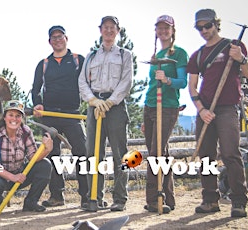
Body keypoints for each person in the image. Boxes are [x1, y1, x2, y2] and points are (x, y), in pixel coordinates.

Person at [187, 9, 248, 218]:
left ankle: (238, 202)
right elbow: (192, 88)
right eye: (200, 27)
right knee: (206, 157)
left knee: (230, 154)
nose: (204, 30)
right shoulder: (197, 55)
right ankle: (210, 200)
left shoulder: (234, 46)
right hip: (205, 109)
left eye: (208, 25)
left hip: (227, 108)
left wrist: (241, 59)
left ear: (216, 24)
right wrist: (202, 110)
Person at [78, 16, 133, 212]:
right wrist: (93, 101)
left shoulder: (125, 55)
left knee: (121, 154)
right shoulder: (91, 56)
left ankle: (120, 198)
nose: (109, 30)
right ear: (100, 30)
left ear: (117, 31)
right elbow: (82, 82)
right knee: (93, 154)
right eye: (105, 27)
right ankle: (94, 197)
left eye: (113, 27)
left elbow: (127, 81)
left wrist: (110, 102)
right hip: (95, 106)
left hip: (115, 106)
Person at [31, 25, 88, 207]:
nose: (57, 40)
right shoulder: (44, 64)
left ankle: (86, 196)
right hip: (50, 115)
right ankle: (56, 196)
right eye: (53, 38)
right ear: (49, 42)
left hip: (73, 115)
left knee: (81, 153)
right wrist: (37, 103)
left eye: (60, 36)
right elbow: (35, 88)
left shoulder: (78, 60)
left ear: (66, 38)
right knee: (52, 155)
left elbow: (87, 83)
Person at [142, 15, 188, 214]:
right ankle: (169, 198)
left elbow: (183, 82)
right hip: (150, 106)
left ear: (173, 30)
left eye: (166, 28)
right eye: (159, 28)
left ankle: (154, 199)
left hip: (167, 107)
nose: (163, 31)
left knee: (155, 154)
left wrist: (167, 79)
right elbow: (152, 83)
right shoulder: (156, 55)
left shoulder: (179, 53)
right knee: (163, 154)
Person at [0, 100, 53, 212]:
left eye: (18, 116)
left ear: (22, 118)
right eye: (11, 115)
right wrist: (13, 177)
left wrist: (47, 149)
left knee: (45, 165)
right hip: (0, 177)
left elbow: (33, 157)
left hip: (20, 174)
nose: (14, 119)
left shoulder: (26, 131)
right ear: (4, 117)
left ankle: (31, 202)